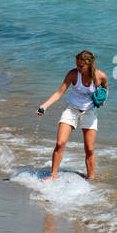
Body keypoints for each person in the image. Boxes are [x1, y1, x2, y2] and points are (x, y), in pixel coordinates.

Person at [36, 50, 108, 182]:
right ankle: (52, 176)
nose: (78, 68)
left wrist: (103, 100)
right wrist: (45, 106)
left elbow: (105, 89)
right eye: (77, 65)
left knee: (89, 149)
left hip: (89, 112)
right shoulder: (73, 74)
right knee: (60, 143)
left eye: (81, 66)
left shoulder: (100, 76)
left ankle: (91, 180)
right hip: (71, 109)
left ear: (90, 65)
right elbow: (59, 92)